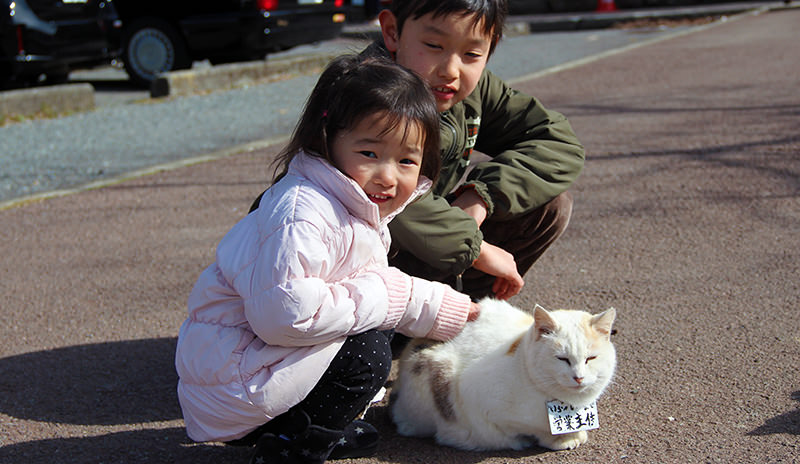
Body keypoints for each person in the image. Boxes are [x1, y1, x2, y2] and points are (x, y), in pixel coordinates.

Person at [175, 54, 478, 464]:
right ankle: (291, 446)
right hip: (238, 382)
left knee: (377, 325)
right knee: (368, 351)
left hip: (253, 368)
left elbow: (374, 295)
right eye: (369, 152)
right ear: (327, 139)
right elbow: (285, 316)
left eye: (407, 160)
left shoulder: (351, 205)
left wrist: (452, 312)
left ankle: (311, 427)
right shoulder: (304, 212)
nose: (388, 176)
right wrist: (391, 297)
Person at [363, 0, 586, 301]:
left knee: (550, 205)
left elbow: (557, 140)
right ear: (392, 32)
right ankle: (395, 318)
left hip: (427, 242)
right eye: (433, 46)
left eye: (471, 54)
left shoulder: (472, 91)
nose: (450, 70)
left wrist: (480, 196)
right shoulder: (365, 95)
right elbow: (380, 199)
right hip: (358, 257)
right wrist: (476, 248)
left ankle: (462, 312)